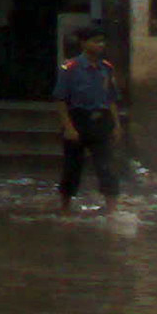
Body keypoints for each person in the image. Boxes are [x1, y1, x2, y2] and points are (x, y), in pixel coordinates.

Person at [54, 28, 125, 211]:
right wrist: (69, 127)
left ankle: (112, 209)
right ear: (84, 44)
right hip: (78, 119)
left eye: (102, 41)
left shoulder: (106, 68)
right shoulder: (70, 68)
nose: (100, 45)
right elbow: (61, 100)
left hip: (101, 121)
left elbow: (111, 99)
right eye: (95, 41)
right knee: (72, 167)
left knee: (107, 166)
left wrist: (116, 125)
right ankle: (65, 208)